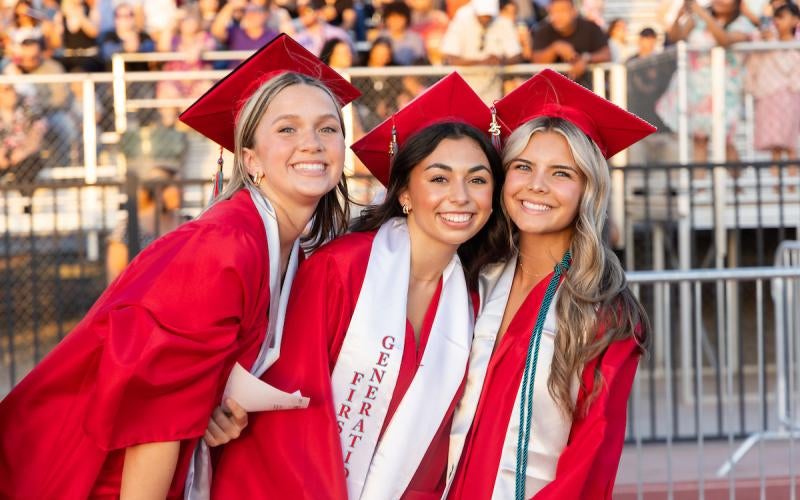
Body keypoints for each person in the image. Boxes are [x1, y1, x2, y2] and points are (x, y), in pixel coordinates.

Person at [0, 34, 360, 499]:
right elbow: (155, 415)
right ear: (249, 159)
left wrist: (213, 408)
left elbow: (188, 392)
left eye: (328, 129)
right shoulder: (225, 246)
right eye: (287, 129)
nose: (311, 143)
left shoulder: (283, 248)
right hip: (82, 473)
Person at [209, 72, 511, 499]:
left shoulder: (475, 303)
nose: (460, 196)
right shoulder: (342, 269)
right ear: (404, 193)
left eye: (477, 180)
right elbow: (289, 405)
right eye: (439, 178)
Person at [444, 69, 654, 499]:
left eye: (561, 173)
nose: (536, 186)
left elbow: (592, 453)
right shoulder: (471, 281)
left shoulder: (604, 312)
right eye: (522, 167)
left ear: (588, 189)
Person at [657, 0, 755, 172]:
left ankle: (736, 184)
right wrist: (680, 14)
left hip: (725, 91)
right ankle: (700, 184)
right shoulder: (697, 19)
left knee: (725, 140)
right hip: (696, 89)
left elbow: (724, 39)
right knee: (699, 139)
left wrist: (704, 15)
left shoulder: (743, 24)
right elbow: (676, 37)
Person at [744, 1, 800, 191]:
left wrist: (771, 44)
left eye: (782, 17)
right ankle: (776, 183)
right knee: (775, 144)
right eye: (776, 17)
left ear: (795, 20)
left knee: (790, 142)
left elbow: (789, 67)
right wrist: (763, 41)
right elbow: (754, 64)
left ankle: (792, 183)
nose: (778, 21)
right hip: (768, 95)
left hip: (790, 96)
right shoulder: (765, 39)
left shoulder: (795, 45)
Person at [440, 0, 523, 102]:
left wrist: (500, 61)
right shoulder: (462, 18)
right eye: (482, 15)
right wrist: (482, 62)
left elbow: (516, 55)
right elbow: (451, 57)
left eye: (489, 15)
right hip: (463, 92)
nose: (486, 18)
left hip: (492, 93)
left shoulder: (502, 22)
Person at [531, 0, 610, 85]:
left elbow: (606, 54)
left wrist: (586, 58)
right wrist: (554, 49)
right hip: (553, 88)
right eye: (552, 12)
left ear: (573, 12)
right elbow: (536, 61)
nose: (557, 16)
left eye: (562, 11)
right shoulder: (543, 31)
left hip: (587, 87)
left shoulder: (591, 28)